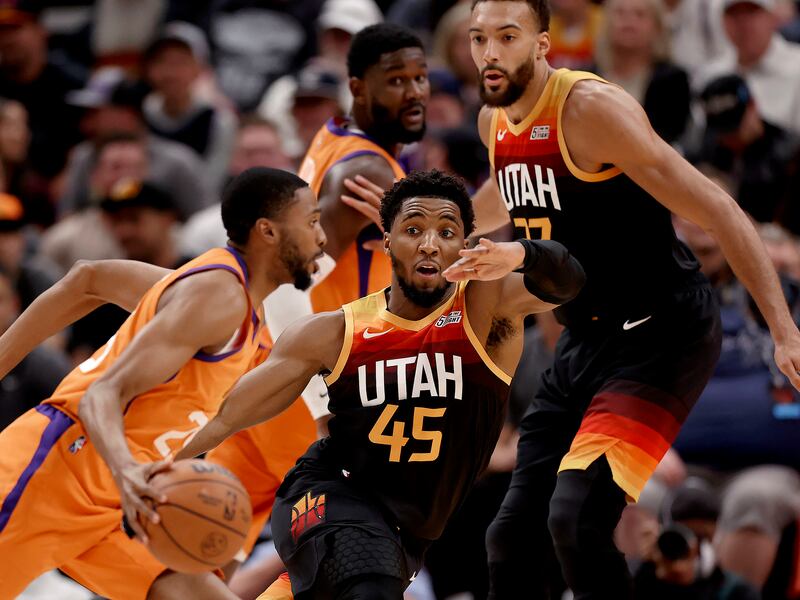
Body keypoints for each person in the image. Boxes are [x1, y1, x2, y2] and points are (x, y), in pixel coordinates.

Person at [458, 1, 800, 598]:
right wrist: (435, 232)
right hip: (588, 336)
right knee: (511, 537)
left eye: (507, 37)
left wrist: (784, 328)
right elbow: (502, 196)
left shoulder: (591, 110)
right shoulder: (497, 124)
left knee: (578, 517)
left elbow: (718, 209)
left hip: (662, 330)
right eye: (478, 38)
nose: (490, 52)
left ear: (543, 44)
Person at [165, 169, 585, 600]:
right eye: (413, 229)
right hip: (328, 493)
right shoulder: (333, 333)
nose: (429, 243)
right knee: (371, 586)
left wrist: (522, 253)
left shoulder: (488, 311)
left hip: (405, 533)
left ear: (464, 245)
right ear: (387, 241)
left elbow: (572, 280)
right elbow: (228, 412)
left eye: (447, 231)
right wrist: (148, 472)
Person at [0, 167, 326, 600]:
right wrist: (127, 469)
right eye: (311, 222)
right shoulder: (218, 295)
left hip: (119, 498)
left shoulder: (237, 307)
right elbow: (103, 393)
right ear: (268, 231)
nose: (320, 237)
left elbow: (88, 279)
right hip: (57, 471)